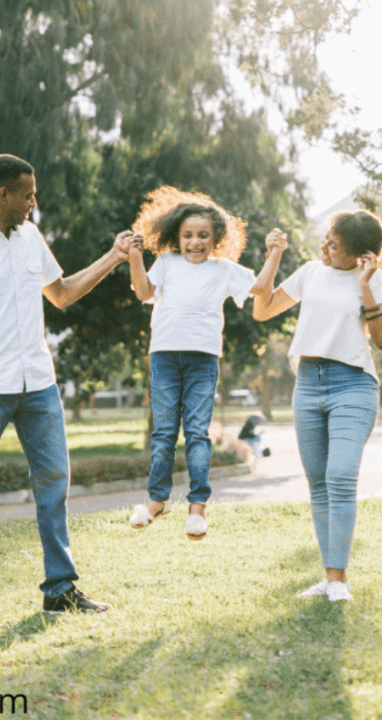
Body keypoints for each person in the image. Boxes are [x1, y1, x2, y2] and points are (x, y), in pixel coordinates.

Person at [0, 154, 135, 625]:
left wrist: (114, 256)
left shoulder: (30, 237)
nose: (33, 202)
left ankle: (60, 590)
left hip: (38, 385)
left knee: (54, 483)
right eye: (27, 194)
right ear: (3, 194)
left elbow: (60, 293)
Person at [125, 185, 285, 541]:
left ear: (217, 239)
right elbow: (143, 293)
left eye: (203, 236)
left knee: (197, 432)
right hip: (165, 357)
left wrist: (273, 253)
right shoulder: (167, 263)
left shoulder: (223, 269)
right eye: (187, 236)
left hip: (202, 360)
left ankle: (197, 508)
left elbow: (260, 288)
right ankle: (156, 501)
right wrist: (135, 258)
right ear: (176, 237)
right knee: (164, 433)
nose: (194, 242)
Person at [253, 209, 382, 603]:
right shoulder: (311, 272)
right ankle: (332, 579)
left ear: (362, 255)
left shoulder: (375, 278)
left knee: (341, 475)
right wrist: (275, 256)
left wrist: (365, 286)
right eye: (327, 239)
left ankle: (338, 581)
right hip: (308, 385)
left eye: (337, 244)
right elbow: (261, 310)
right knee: (319, 485)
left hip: (353, 385)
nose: (326, 247)